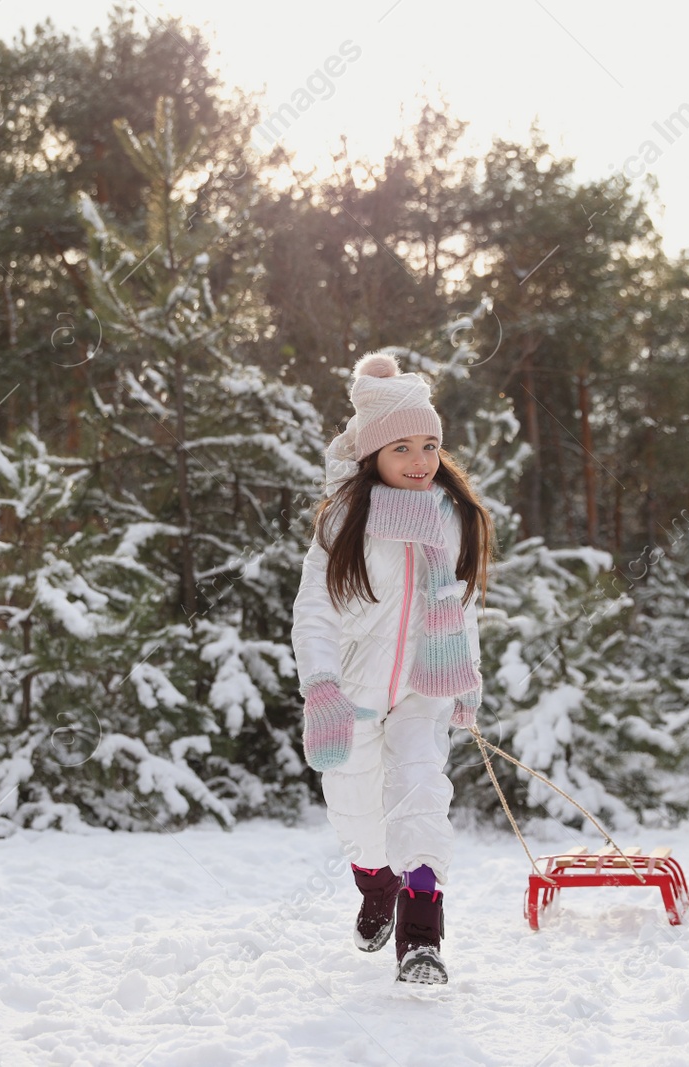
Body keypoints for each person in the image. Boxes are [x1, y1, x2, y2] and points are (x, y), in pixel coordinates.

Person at [291, 350, 494, 985]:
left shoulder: (449, 519)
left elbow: (461, 607)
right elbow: (315, 611)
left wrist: (468, 680)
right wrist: (320, 685)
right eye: (402, 447)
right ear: (374, 454)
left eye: (430, 445)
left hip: (422, 690)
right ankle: (375, 885)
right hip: (352, 692)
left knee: (422, 797)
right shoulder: (345, 522)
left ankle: (421, 938)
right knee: (356, 813)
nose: (420, 461)